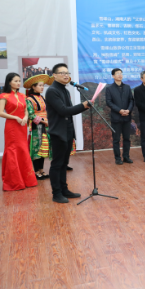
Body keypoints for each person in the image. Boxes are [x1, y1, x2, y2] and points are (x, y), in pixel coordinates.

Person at [45, 63, 90, 203]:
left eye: (67, 73)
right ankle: (56, 193)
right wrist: (82, 106)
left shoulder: (65, 90)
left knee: (65, 163)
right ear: (54, 75)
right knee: (57, 164)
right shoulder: (52, 91)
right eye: (62, 73)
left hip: (68, 130)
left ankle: (64, 189)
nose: (66, 75)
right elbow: (63, 111)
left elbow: (69, 111)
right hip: (58, 132)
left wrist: (83, 107)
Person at [0, 73, 38, 192]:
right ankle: (15, 182)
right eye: (15, 81)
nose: (18, 83)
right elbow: (0, 112)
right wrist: (15, 117)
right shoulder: (4, 96)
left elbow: (26, 110)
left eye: (19, 81)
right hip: (12, 126)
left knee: (23, 150)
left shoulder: (22, 95)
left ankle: (26, 180)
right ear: (9, 82)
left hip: (22, 126)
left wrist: (25, 117)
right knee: (13, 150)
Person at [25, 74, 54, 180]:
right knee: (36, 148)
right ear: (33, 87)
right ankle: (36, 171)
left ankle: (41, 170)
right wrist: (43, 121)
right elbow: (31, 115)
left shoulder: (43, 98)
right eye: (40, 85)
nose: (42, 87)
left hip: (46, 125)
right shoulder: (29, 99)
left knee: (43, 148)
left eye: (43, 86)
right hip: (37, 127)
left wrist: (48, 120)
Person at [106, 68, 134, 165]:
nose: (120, 75)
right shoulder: (109, 88)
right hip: (116, 118)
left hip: (127, 117)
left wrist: (128, 110)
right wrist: (119, 110)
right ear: (113, 76)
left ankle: (126, 156)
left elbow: (131, 100)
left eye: (121, 73)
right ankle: (118, 158)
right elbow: (109, 102)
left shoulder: (127, 87)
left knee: (127, 138)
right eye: (117, 73)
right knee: (116, 140)